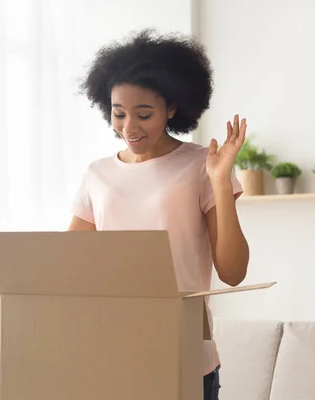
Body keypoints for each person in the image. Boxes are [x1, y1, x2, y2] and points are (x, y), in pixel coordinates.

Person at [68, 29, 249, 400]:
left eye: (144, 114)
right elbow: (67, 267)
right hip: (111, 353)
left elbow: (232, 273)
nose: (129, 128)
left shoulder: (203, 165)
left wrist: (219, 182)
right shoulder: (97, 174)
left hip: (183, 356)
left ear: (172, 107)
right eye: (119, 114)